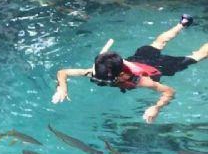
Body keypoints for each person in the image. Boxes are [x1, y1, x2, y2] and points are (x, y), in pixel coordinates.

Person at [52, 15, 208, 123]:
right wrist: (63, 88)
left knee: (197, 56)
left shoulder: (140, 81)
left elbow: (170, 91)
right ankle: (182, 23)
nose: (101, 81)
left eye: (107, 80)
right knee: (158, 43)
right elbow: (63, 72)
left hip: (156, 67)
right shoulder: (97, 71)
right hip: (138, 59)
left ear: (119, 74)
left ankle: (184, 25)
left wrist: (157, 107)